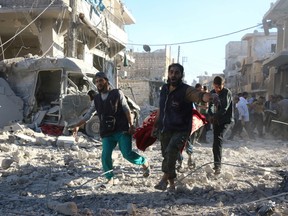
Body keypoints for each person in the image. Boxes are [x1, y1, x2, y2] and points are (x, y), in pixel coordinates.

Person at [71, 72, 150, 186]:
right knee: (105, 155)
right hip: (107, 132)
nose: (98, 83)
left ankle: (144, 162)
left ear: (106, 81)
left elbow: (126, 109)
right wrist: (78, 125)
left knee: (127, 154)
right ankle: (110, 178)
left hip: (122, 129)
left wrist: (131, 124)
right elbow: (88, 115)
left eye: (101, 81)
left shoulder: (117, 93)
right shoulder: (96, 99)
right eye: (97, 81)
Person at [152, 63, 215, 191]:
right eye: (171, 72)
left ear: (181, 75)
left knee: (171, 151)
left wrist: (208, 97)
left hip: (181, 129)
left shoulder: (186, 90)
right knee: (168, 156)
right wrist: (155, 124)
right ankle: (172, 185)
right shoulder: (164, 89)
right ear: (168, 74)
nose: (173, 75)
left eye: (177, 73)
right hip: (165, 128)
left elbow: (199, 96)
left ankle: (164, 179)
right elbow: (161, 108)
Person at [208, 76, 233, 175]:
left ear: (223, 85)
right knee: (215, 142)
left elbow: (224, 108)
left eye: (219, 87)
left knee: (218, 140)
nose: (217, 89)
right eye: (215, 86)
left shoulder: (227, 92)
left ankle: (217, 166)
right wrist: (210, 115)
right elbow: (209, 106)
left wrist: (215, 116)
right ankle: (216, 164)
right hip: (216, 120)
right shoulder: (212, 92)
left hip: (225, 120)